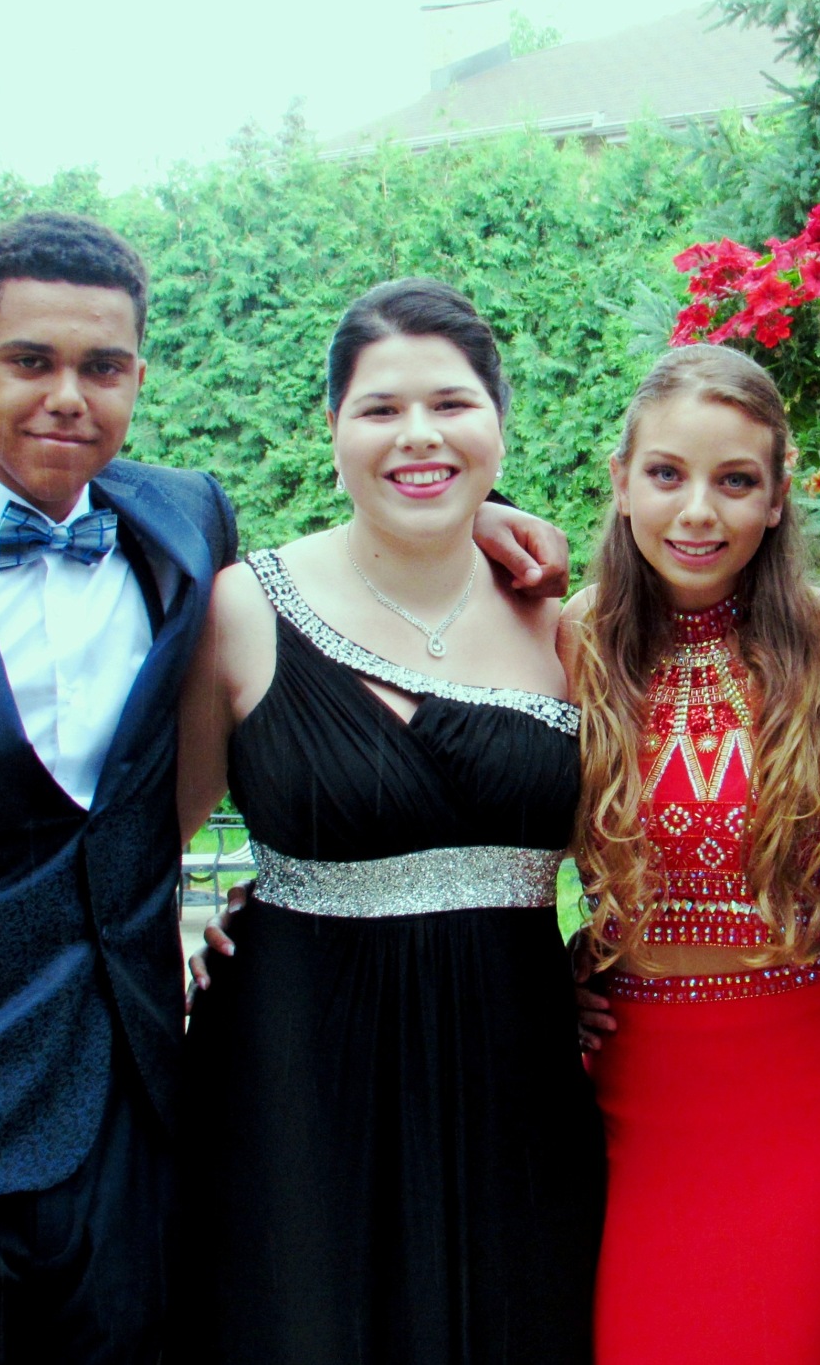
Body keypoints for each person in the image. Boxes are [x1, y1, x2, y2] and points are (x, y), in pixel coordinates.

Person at [0, 217, 563, 1363]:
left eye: (101, 367)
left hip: (130, 1136)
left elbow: (365, 561)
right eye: (30, 361)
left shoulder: (185, 522)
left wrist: (468, 514)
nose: (68, 396)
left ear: (138, 378)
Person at [169, 277, 604, 1365]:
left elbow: (638, 851)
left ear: (499, 422)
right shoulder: (241, 608)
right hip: (294, 1084)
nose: (419, 434)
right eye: (380, 408)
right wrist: (175, 940)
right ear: (332, 428)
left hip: (516, 1081)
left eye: (452, 404)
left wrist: (618, 963)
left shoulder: (572, 626)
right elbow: (137, 852)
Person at [561, 344, 820, 1365]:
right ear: (621, 480)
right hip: (632, 1086)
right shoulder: (567, 639)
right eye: (667, 473)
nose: (698, 511)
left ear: (778, 495)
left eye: (735, 481)